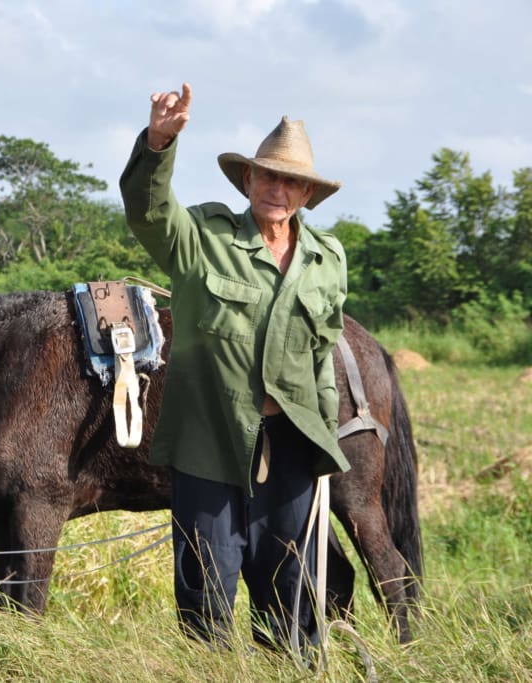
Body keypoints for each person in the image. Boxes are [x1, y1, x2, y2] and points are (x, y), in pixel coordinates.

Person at [119, 82, 350, 653]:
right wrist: (157, 144)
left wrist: (326, 443)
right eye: (267, 176)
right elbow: (149, 212)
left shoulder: (328, 261)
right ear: (247, 181)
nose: (277, 188)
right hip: (211, 450)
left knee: (296, 605)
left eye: (290, 180)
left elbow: (323, 357)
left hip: (295, 454)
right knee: (206, 607)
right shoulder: (204, 237)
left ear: (306, 193)